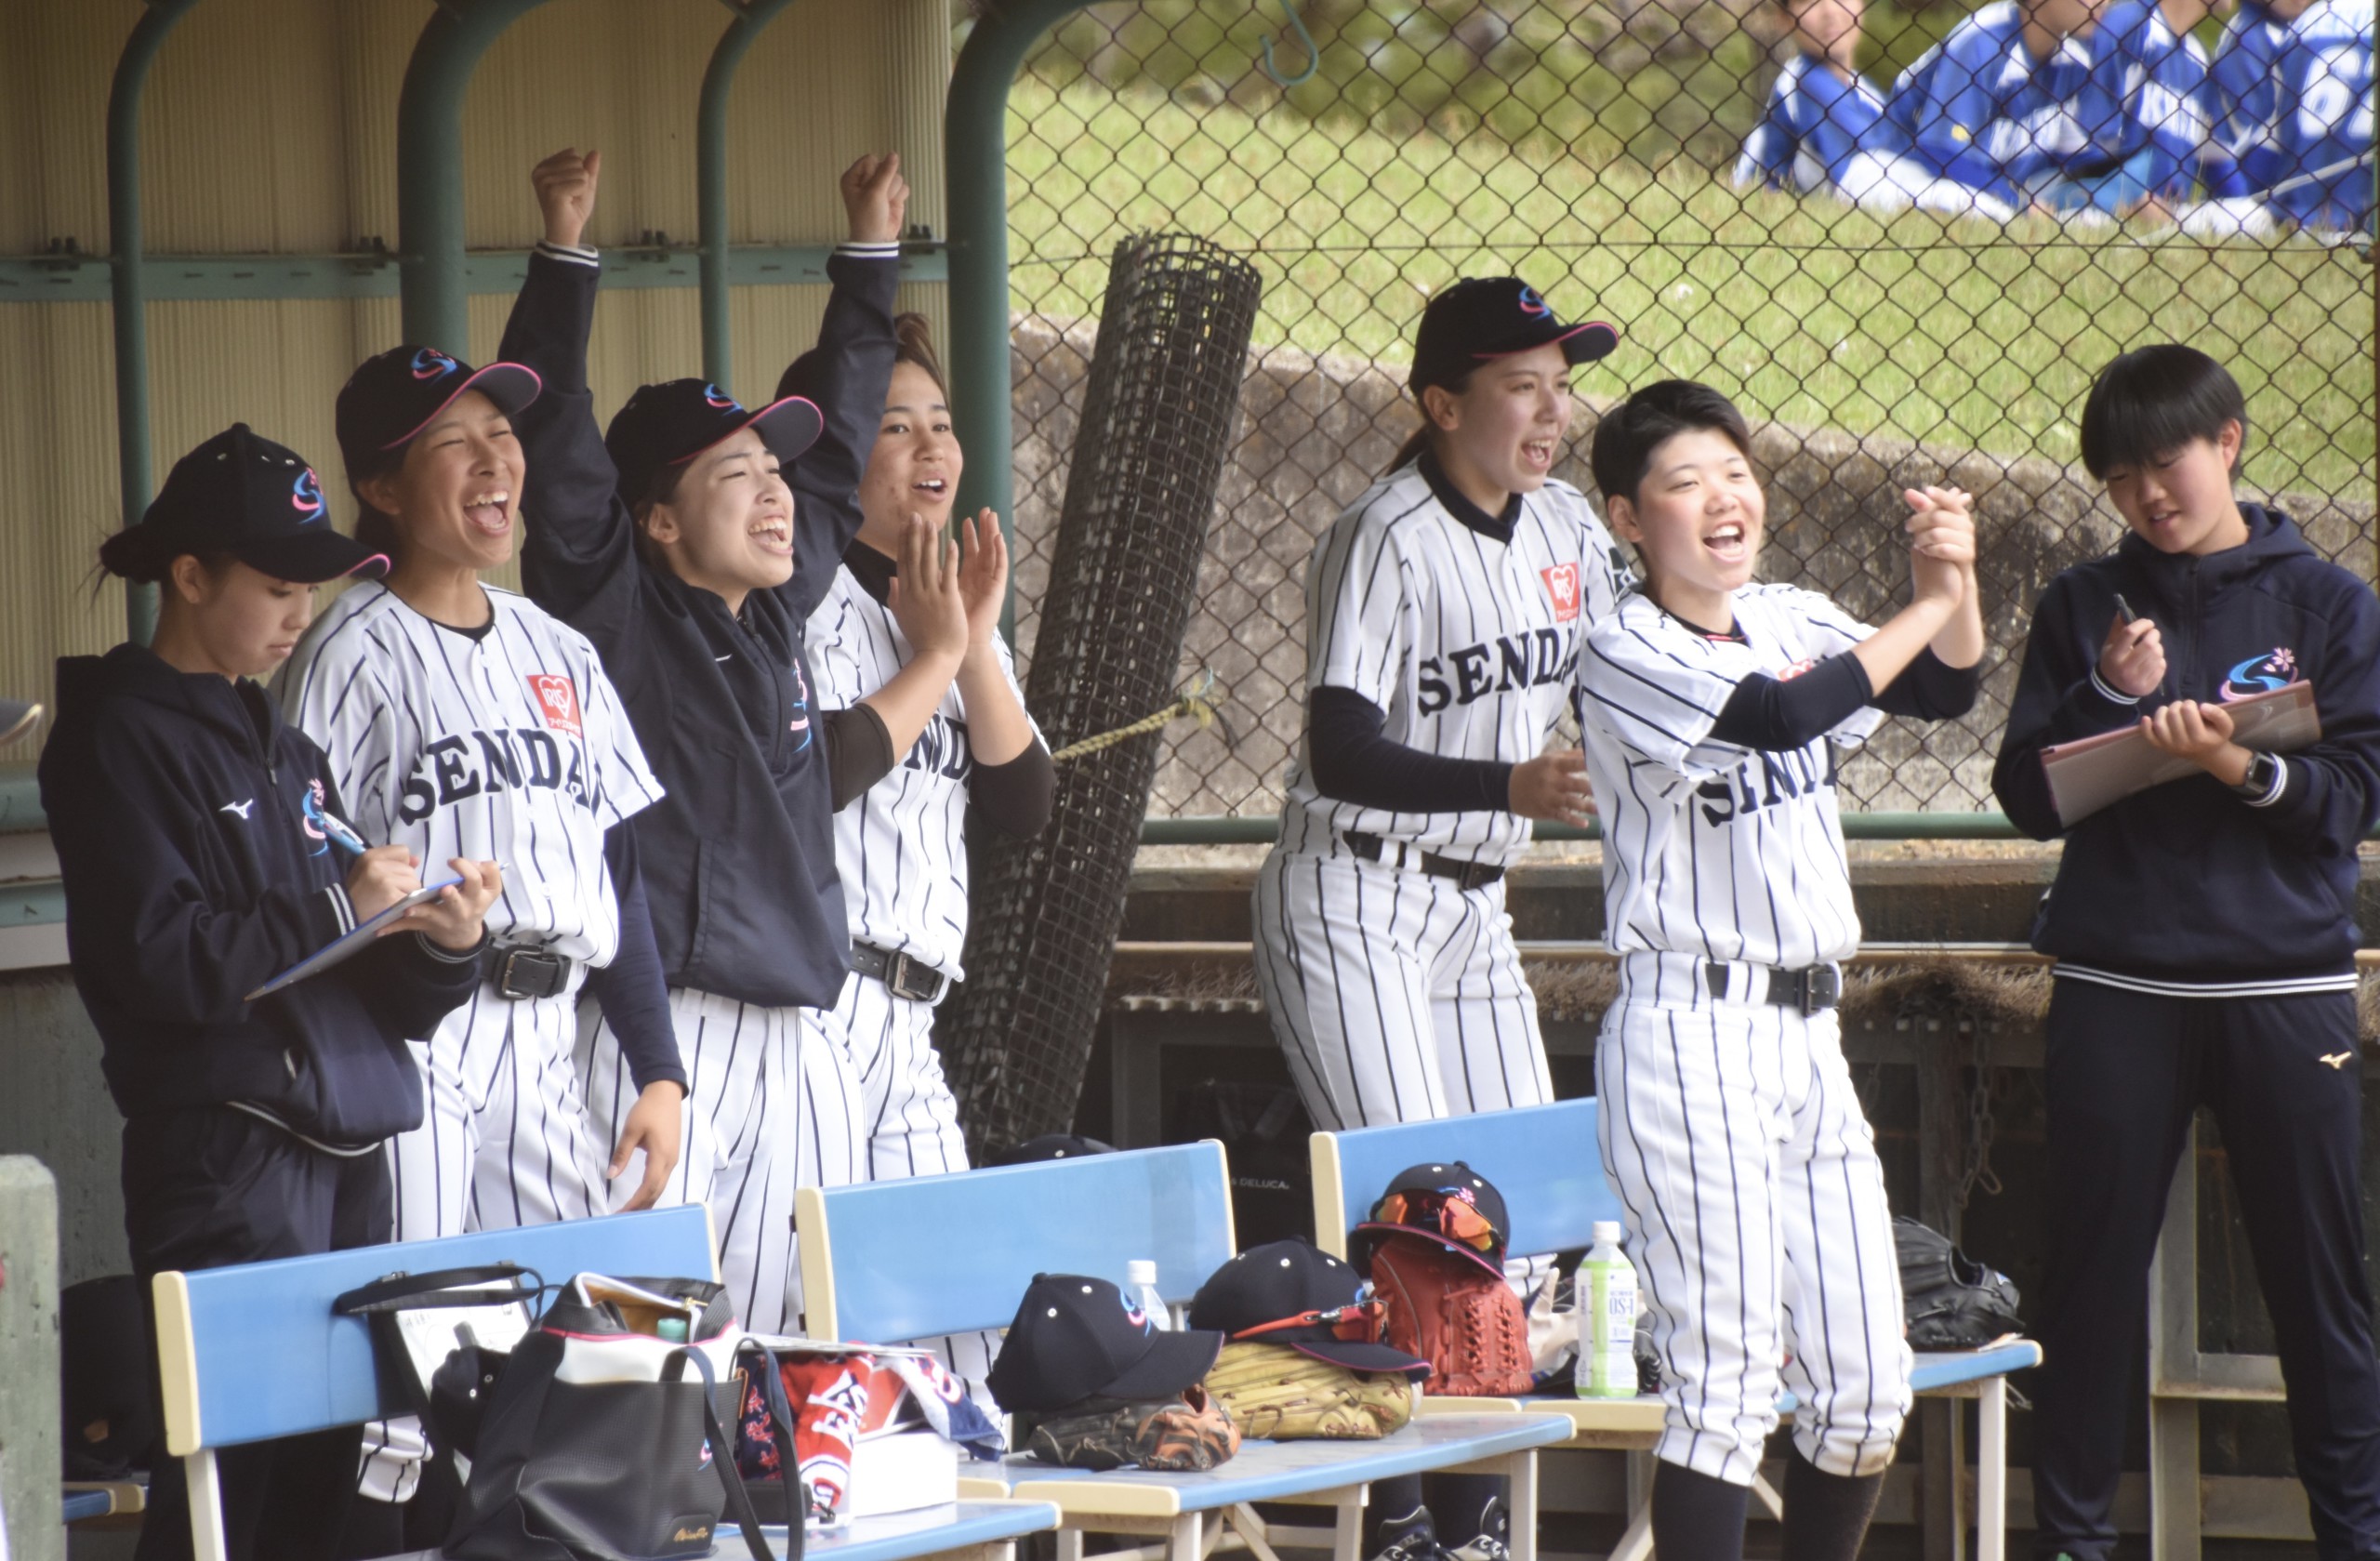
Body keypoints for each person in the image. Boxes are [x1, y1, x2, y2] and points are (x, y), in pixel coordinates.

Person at [495, 147, 956, 1332]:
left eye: (771, 471)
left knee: (794, 1350)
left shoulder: (774, 608)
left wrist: (866, 256)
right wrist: (565, 251)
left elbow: (841, 445)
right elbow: (554, 443)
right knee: (642, 1360)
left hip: (804, 1033)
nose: (774, 494)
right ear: (655, 519)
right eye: (731, 474)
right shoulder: (618, 618)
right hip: (673, 1032)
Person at [42, 425, 499, 1561]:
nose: (301, 612)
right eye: (280, 584)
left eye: (314, 587)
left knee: (337, 1486)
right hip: (228, 1155)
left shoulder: (283, 745)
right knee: (228, 1495)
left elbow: (371, 985)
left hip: (350, 1145)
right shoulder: (117, 733)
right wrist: (342, 905)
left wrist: (438, 937)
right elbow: (164, 960)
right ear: (188, 577)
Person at [276, 332, 687, 1520]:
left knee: (568, 1362)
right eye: (450, 441)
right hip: (416, 1039)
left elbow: (622, 873)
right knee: (405, 1391)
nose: (491, 457)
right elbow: (310, 878)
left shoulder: (562, 649)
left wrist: (655, 1069)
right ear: (381, 487)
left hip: (551, 1037)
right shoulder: (344, 651)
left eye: (500, 431)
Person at [1251, 275, 1631, 1561]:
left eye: (1560, 383)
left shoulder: (1570, 525)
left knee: (1513, 1225)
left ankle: (1472, 1527)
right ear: (1441, 401)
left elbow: (1649, 660)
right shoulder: (1385, 532)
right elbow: (1341, 742)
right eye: (1521, 385)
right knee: (1422, 1221)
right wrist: (1509, 783)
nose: (1550, 409)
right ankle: (1403, 1524)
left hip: (1475, 913)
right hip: (1356, 891)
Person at [1575, 379, 1983, 1561]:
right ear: (1625, 518)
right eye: (1685, 481)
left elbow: (1944, 687)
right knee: (1728, 1385)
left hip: (1808, 1036)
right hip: (1689, 1033)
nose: (1722, 497)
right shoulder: (1624, 644)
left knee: (1864, 1390)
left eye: (1735, 472)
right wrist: (1927, 602)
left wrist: (1947, 593)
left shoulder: (1789, 609)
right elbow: (1781, 715)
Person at [1990, 344, 2380, 1561]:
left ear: (2230, 442)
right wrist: (2109, 697)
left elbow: (2354, 793)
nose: (2151, 493)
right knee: (2089, 1277)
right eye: (2121, 476)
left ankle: (2354, 1531)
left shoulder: (2328, 603)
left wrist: (2236, 763)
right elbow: (2029, 799)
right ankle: (2070, 1537)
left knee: (2319, 1286)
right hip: (2121, 977)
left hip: (2286, 980)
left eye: (2168, 461)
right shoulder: (2084, 604)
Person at [786, 313, 1052, 1195]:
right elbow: (809, 779)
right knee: (801, 1301)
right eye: (894, 426)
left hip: (914, 1013)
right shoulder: (798, 604)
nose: (929, 444)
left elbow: (1025, 807)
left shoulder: (950, 601)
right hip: (815, 1001)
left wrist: (970, 644)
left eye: (939, 421)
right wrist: (940, 653)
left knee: (949, 1316)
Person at [1734, 0, 2019, 218]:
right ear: (1785, 20)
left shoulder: (1864, 93)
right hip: (1758, 212)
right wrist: (2005, 202)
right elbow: (1870, 177)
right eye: (1810, 1)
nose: (1830, 11)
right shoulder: (1803, 83)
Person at [1888, 0, 2172, 218]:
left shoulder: (2073, 60)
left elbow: (2077, 163)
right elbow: (1939, 152)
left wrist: (2129, 195)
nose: (2102, 2)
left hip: (2003, 190)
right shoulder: (1984, 40)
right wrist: (2018, 204)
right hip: (1908, 170)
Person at [2202, 0, 2375, 231]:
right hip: (2363, 216)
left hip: (2298, 218)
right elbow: (2227, 152)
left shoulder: (2309, 24)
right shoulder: (2250, 36)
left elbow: (2257, 157)